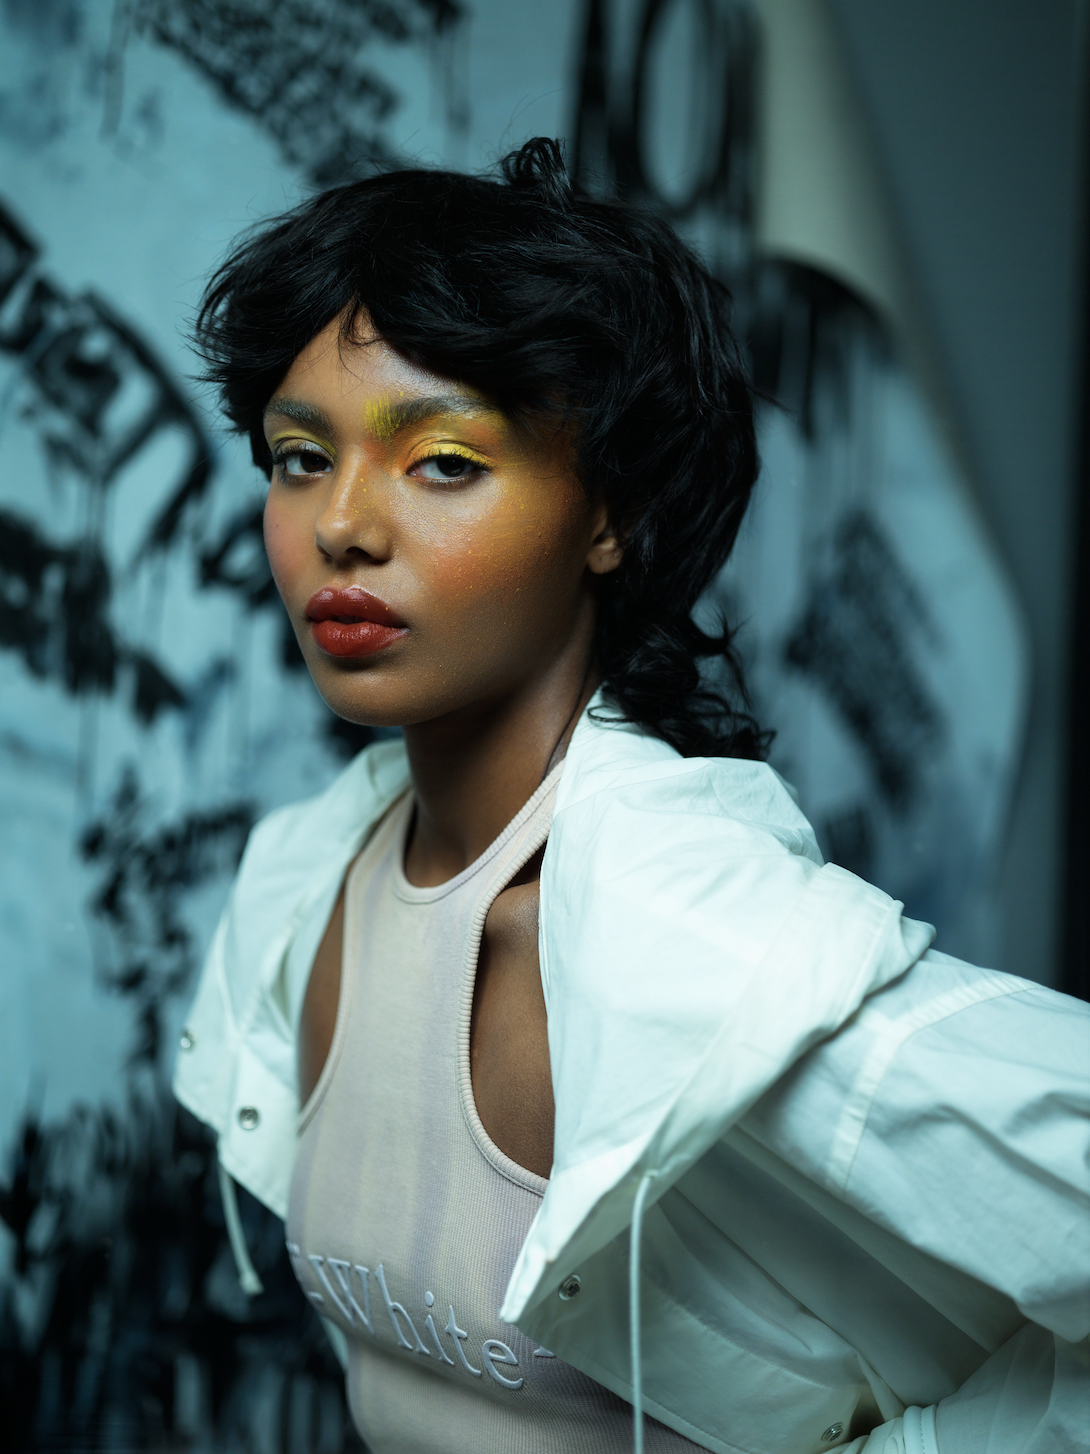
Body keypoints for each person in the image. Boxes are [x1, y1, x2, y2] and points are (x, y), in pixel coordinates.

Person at [174, 139, 1088, 1454]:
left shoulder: (674, 935)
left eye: (441, 461)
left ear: (610, 510)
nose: (342, 525)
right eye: (298, 456)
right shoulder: (301, 884)